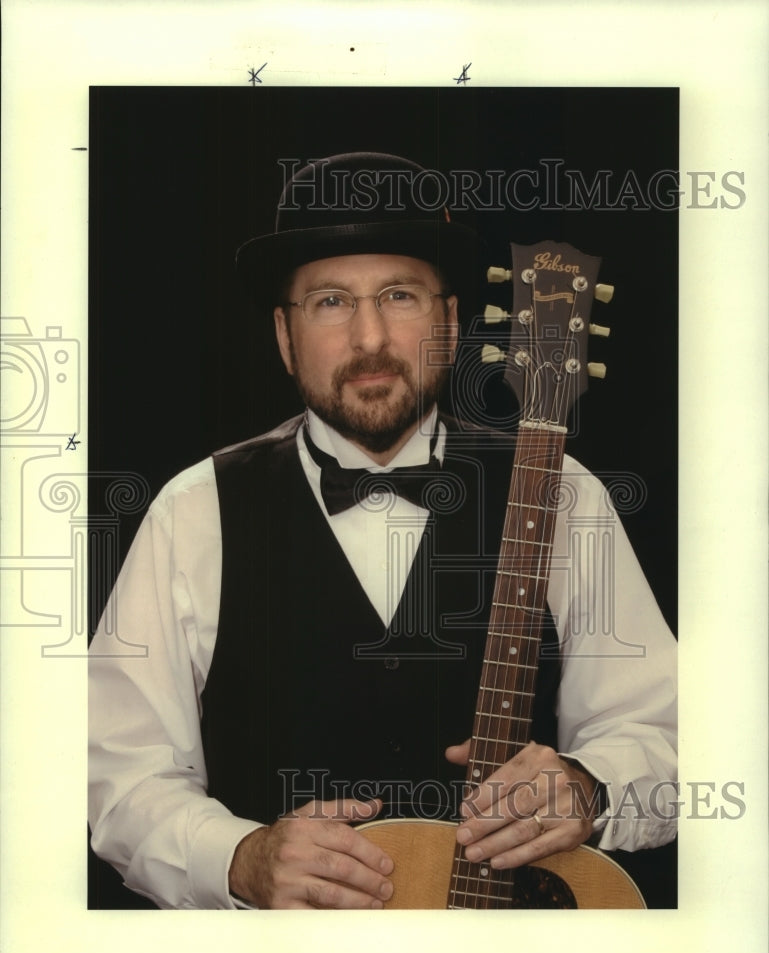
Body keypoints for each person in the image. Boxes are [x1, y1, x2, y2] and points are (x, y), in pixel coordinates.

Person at [88, 152, 677, 910]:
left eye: (398, 296)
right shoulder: (192, 510)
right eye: (330, 302)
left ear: (450, 319)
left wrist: (591, 787)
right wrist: (235, 856)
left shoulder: (560, 492)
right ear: (283, 335)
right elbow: (117, 772)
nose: (369, 337)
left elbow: (666, 736)